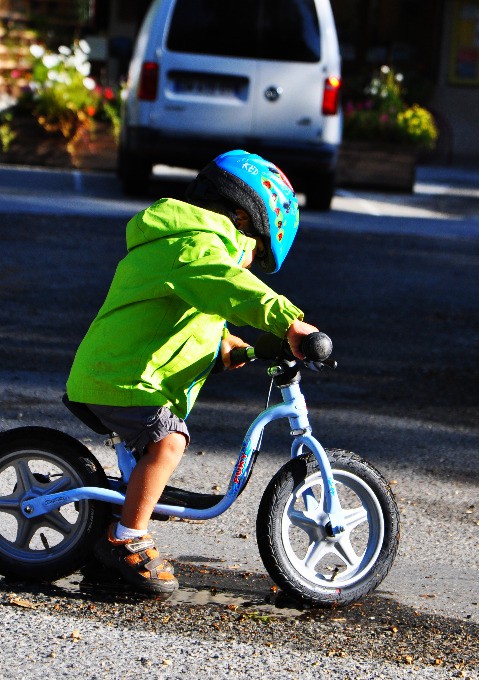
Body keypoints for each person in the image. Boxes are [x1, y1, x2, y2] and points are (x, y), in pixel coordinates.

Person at [65, 150, 319, 595]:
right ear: (240, 216)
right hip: (123, 379)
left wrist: (232, 349)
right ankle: (126, 541)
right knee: (168, 443)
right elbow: (228, 287)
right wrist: (289, 321)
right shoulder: (195, 247)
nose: (247, 264)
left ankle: (111, 531)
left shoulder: (190, 249)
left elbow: (198, 319)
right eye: (254, 253)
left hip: (127, 375)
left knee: (155, 448)